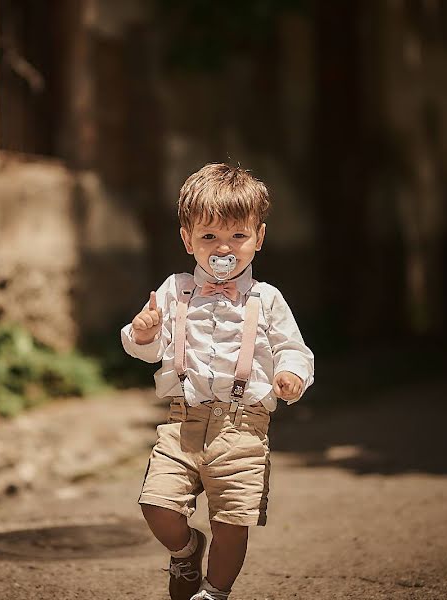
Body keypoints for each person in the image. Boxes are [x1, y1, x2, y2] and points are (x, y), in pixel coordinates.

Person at [121, 163, 315, 600]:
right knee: (156, 503)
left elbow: (294, 348)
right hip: (181, 421)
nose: (222, 248)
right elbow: (147, 347)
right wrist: (146, 331)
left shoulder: (267, 299)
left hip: (244, 428)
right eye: (209, 237)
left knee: (233, 519)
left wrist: (291, 375)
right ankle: (187, 548)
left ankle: (214, 592)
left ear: (258, 239)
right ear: (188, 239)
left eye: (237, 237)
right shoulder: (175, 290)